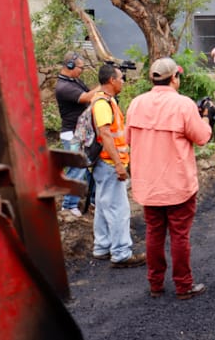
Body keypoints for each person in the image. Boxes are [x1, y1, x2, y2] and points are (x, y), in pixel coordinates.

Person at [127, 58, 212, 300]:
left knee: (154, 233)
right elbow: (202, 137)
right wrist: (205, 117)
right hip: (178, 185)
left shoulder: (136, 104)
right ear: (174, 77)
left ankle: (155, 284)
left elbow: (129, 139)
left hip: (148, 186)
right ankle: (183, 285)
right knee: (179, 235)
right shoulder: (183, 105)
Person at [91, 64, 146, 268]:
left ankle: (102, 246)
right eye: (121, 78)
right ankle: (121, 252)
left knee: (104, 205)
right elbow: (105, 133)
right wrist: (118, 164)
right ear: (112, 81)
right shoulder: (103, 104)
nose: (123, 81)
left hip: (104, 163)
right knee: (118, 209)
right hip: (109, 163)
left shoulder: (105, 101)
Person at [54, 51, 97, 217]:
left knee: (86, 167)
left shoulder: (74, 81)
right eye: (80, 67)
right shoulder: (64, 87)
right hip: (72, 134)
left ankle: (92, 199)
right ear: (70, 66)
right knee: (77, 168)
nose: (82, 70)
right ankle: (68, 205)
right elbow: (86, 97)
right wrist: (105, 83)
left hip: (80, 132)